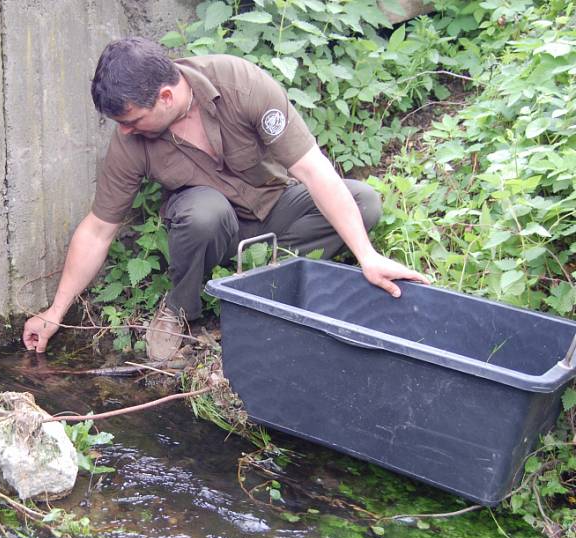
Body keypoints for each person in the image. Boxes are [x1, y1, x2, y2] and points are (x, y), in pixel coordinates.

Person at [23, 37, 428, 360]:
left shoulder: (239, 84)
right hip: (211, 230)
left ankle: (256, 280)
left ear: (165, 96)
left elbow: (311, 168)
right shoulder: (130, 142)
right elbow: (99, 229)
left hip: (273, 208)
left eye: (131, 120)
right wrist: (55, 312)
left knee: (364, 203)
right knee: (204, 213)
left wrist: (366, 255)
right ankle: (180, 308)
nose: (125, 131)